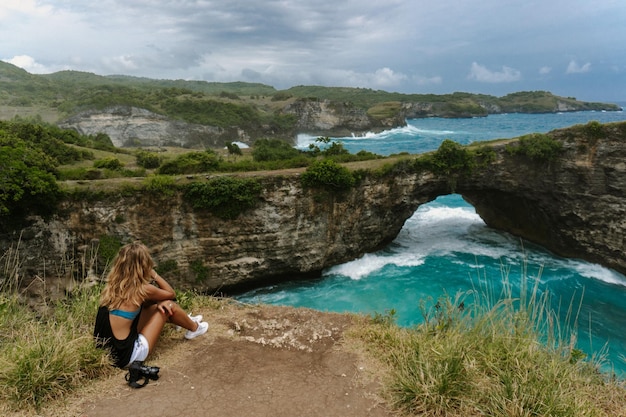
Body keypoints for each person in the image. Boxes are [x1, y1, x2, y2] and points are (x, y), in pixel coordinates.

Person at [93, 242, 209, 369]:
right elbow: (171, 294)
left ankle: (183, 320)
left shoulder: (111, 287)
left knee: (151, 305)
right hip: (128, 357)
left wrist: (156, 302)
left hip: (110, 354)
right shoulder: (142, 290)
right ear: (143, 265)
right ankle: (194, 328)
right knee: (168, 305)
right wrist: (153, 274)